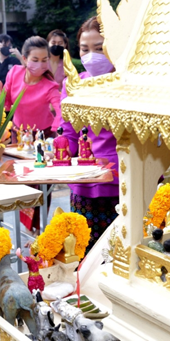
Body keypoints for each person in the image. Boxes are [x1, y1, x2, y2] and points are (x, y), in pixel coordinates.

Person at [60, 16, 119, 253]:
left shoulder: (127, 83)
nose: (91, 56)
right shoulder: (73, 84)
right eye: (85, 49)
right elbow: (70, 132)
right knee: (83, 253)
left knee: (117, 253)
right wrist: (61, 150)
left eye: (99, 48)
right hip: (83, 182)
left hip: (120, 181)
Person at [0, 36, 62, 136]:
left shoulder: (50, 86)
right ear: (24, 59)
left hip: (44, 135)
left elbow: (61, 111)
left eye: (44, 60)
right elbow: (4, 105)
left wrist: (58, 130)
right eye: (35, 60)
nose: (40, 65)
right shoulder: (14, 73)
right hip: (18, 132)